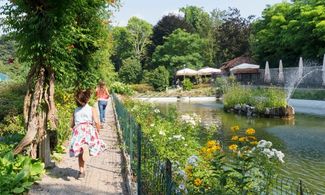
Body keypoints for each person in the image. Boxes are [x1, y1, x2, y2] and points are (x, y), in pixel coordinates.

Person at [69, 89, 106, 179]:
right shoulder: (91, 109)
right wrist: (98, 130)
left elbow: (72, 124)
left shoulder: (76, 110)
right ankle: (85, 148)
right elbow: (97, 121)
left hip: (79, 131)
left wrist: (72, 130)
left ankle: (81, 172)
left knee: (80, 154)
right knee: (92, 145)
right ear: (88, 99)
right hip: (88, 130)